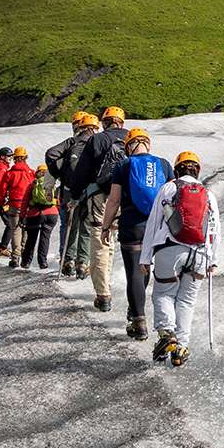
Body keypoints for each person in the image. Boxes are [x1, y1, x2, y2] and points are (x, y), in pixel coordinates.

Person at [138, 149, 221, 368]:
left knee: (164, 294)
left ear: (177, 169)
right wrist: (213, 259)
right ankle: (181, 348)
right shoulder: (208, 194)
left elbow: (155, 221)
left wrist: (145, 256)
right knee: (187, 301)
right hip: (201, 255)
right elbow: (215, 229)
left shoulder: (169, 187)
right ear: (197, 169)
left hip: (170, 249)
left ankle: (167, 335)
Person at [98, 128, 168, 339]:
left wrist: (105, 225)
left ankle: (139, 322)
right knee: (148, 269)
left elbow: (114, 200)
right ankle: (162, 322)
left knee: (135, 273)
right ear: (148, 144)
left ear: (128, 146)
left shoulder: (123, 165)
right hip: (158, 227)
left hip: (132, 225)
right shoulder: (163, 164)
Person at [73, 106, 129, 312]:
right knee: (112, 238)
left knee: (99, 239)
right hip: (124, 196)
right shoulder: (131, 138)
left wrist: (76, 193)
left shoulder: (97, 139)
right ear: (121, 122)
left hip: (100, 196)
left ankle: (103, 293)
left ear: (104, 123)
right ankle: (110, 283)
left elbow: (82, 171)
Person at [44, 111, 98, 278]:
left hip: (68, 190)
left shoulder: (71, 143)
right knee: (86, 228)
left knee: (69, 226)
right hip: (90, 192)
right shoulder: (98, 142)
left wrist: (60, 174)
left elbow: (51, 154)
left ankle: (68, 261)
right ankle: (83, 263)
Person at [15, 161, 61, 270]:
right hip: (51, 214)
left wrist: (22, 216)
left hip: (34, 214)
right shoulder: (52, 184)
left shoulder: (33, 184)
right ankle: (43, 262)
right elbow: (58, 200)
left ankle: (26, 262)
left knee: (31, 239)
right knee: (45, 238)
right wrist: (56, 211)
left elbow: (25, 202)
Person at [0, 147, 36, 265]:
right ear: (26, 158)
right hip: (28, 205)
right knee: (25, 229)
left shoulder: (10, 173)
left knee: (15, 230)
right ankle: (24, 254)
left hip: (14, 204)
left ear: (15, 158)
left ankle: (15, 256)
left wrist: (1, 202)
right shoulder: (31, 172)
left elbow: (2, 190)